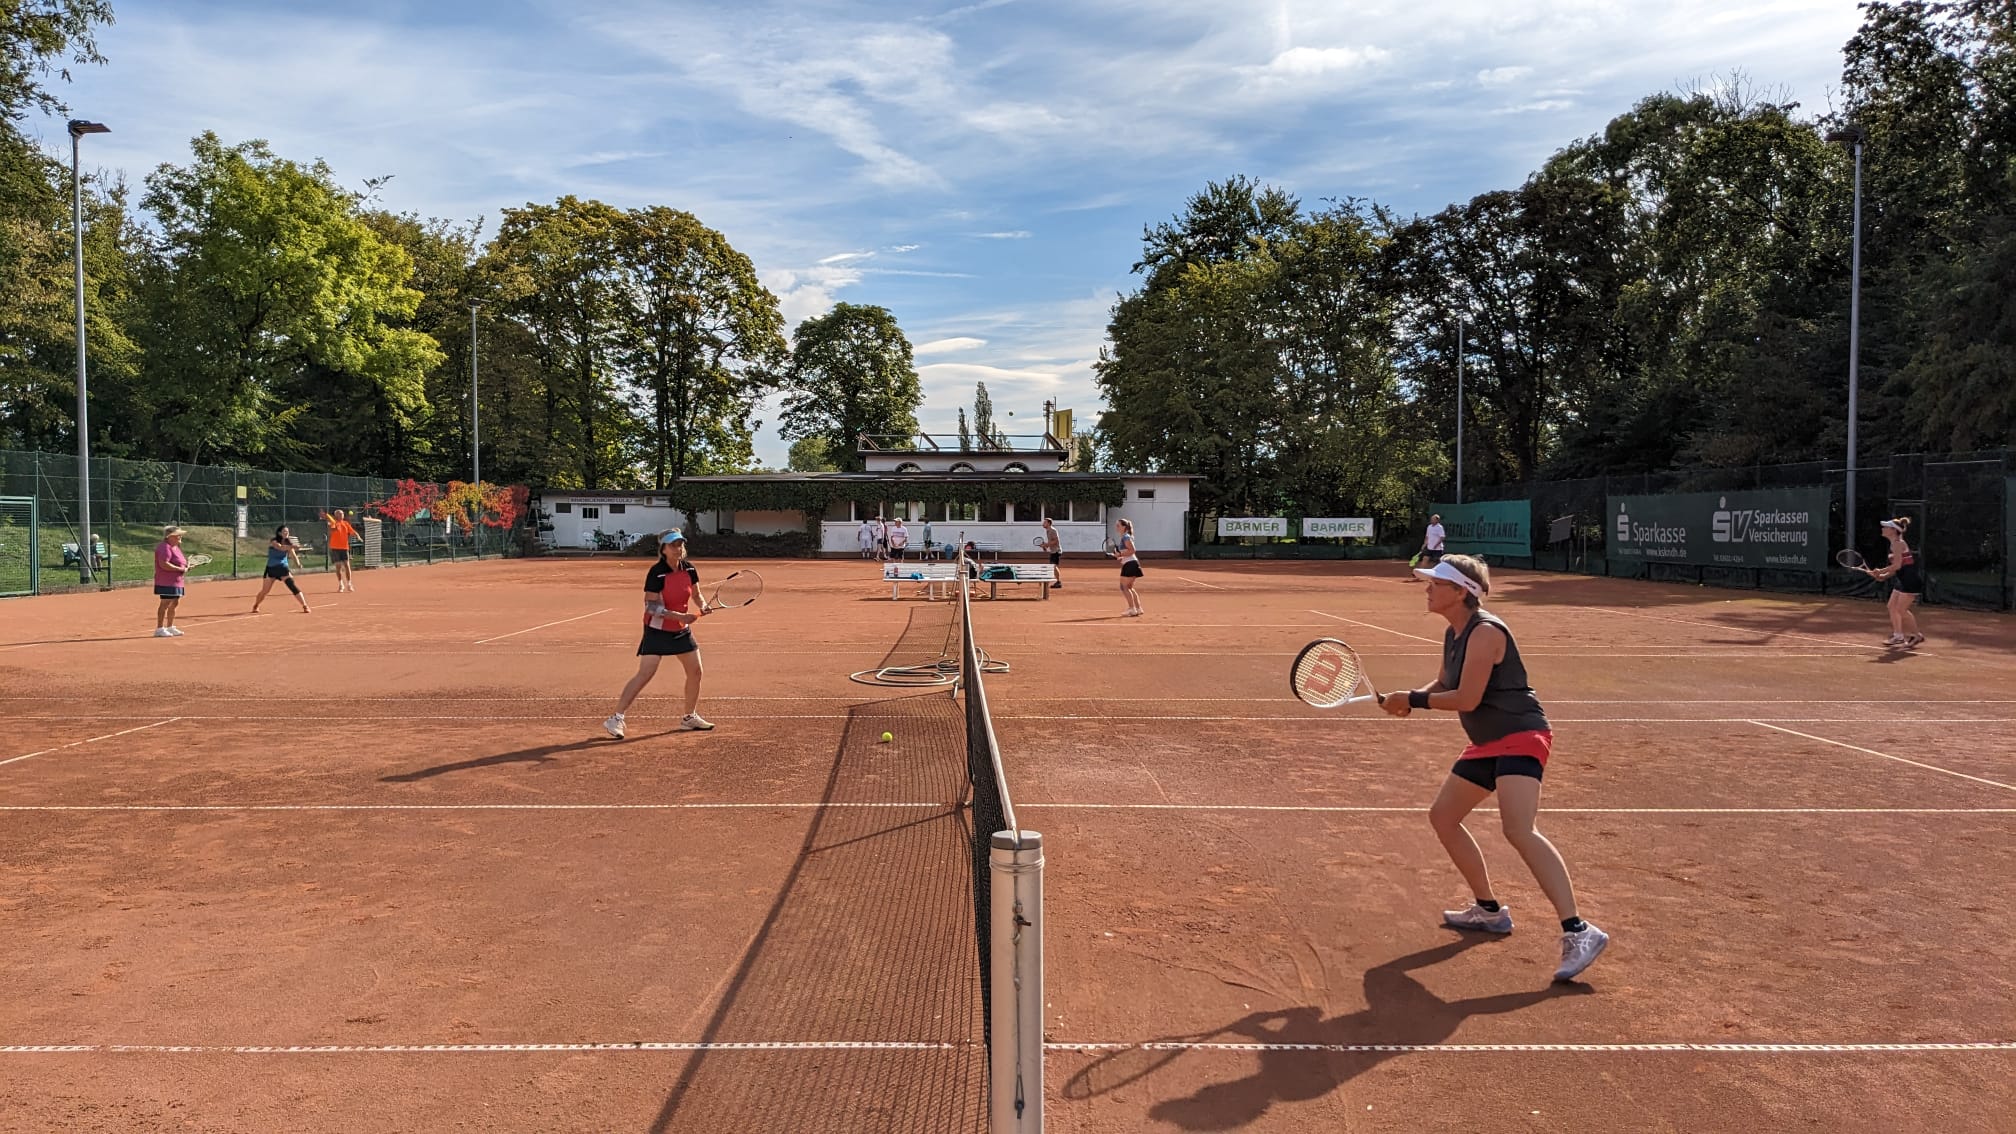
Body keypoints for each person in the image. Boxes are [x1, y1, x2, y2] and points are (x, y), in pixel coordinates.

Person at [1380, 555, 1607, 982]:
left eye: (1436, 583)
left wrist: (1412, 699)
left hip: (1521, 735)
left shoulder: (1485, 632)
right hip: (1486, 742)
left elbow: (1466, 698)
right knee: (1443, 817)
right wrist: (1411, 697)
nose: (1427, 588)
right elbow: (1445, 685)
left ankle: (1579, 930)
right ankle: (1488, 911)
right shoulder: (1455, 633)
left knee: (1519, 829)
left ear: (1460, 592)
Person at [603, 529, 713, 738]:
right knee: (646, 673)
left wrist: (703, 605)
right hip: (656, 630)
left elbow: (697, 594)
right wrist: (679, 616)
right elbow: (651, 607)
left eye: (680, 544)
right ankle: (615, 719)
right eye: (673, 545)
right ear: (663, 549)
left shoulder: (689, 569)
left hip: (680, 630)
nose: (678, 548)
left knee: (695, 671)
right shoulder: (657, 573)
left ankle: (689, 717)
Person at [1857, 517, 1926, 648]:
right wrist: (1883, 576)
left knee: (1901, 610)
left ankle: (1917, 635)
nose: (1883, 529)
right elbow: (1898, 568)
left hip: (1910, 580)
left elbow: (1897, 565)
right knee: (1892, 606)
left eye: (1886, 527)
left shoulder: (1898, 544)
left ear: (1893, 530)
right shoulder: (1894, 544)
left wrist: (1880, 570)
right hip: (1902, 579)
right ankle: (1898, 636)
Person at [251, 525, 311, 614]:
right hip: (271, 569)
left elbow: (293, 555)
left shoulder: (288, 543)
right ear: (279, 533)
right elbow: (280, 547)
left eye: (287, 531)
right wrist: (293, 546)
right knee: (265, 591)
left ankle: (305, 606)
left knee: (292, 586)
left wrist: (298, 564)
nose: (287, 533)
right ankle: (256, 605)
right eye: (284, 531)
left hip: (282, 568)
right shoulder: (274, 541)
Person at [153, 525, 190, 637]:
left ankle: (170, 627)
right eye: (178, 535)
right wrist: (180, 569)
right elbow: (164, 564)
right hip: (166, 581)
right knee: (165, 603)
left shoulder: (175, 547)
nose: (180, 537)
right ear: (170, 536)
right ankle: (159, 629)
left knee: (174, 603)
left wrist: (186, 567)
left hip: (177, 581)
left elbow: (180, 563)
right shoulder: (165, 547)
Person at [321, 508, 360, 593]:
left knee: (347, 565)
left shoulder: (346, 523)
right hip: (335, 548)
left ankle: (349, 584)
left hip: (344, 548)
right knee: (338, 567)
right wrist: (332, 524)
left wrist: (357, 535)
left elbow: (352, 531)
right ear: (336, 515)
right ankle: (341, 584)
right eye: (340, 514)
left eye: (342, 514)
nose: (342, 515)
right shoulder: (333, 523)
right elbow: (332, 530)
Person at [1115, 517, 1143, 617]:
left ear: (1124, 527)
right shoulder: (1126, 536)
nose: (1116, 527)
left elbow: (1132, 550)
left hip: (1130, 564)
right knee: (1129, 587)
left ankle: (1132, 609)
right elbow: (1128, 552)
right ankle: (1138, 608)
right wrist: (1121, 556)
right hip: (1132, 563)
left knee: (1124, 587)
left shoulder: (1125, 537)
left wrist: (1120, 554)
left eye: (1118, 525)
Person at [1040, 516, 1064, 588]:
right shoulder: (1048, 531)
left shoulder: (1053, 530)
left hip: (1056, 551)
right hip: (1053, 551)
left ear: (1049, 523)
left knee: (1053, 566)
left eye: (1045, 522)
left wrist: (1046, 544)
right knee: (1053, 566)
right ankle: (1057, 581)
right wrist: (1045, 547)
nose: (1043, 524)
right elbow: (1051, 542)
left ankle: (1058, 582)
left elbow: (1056, 541)